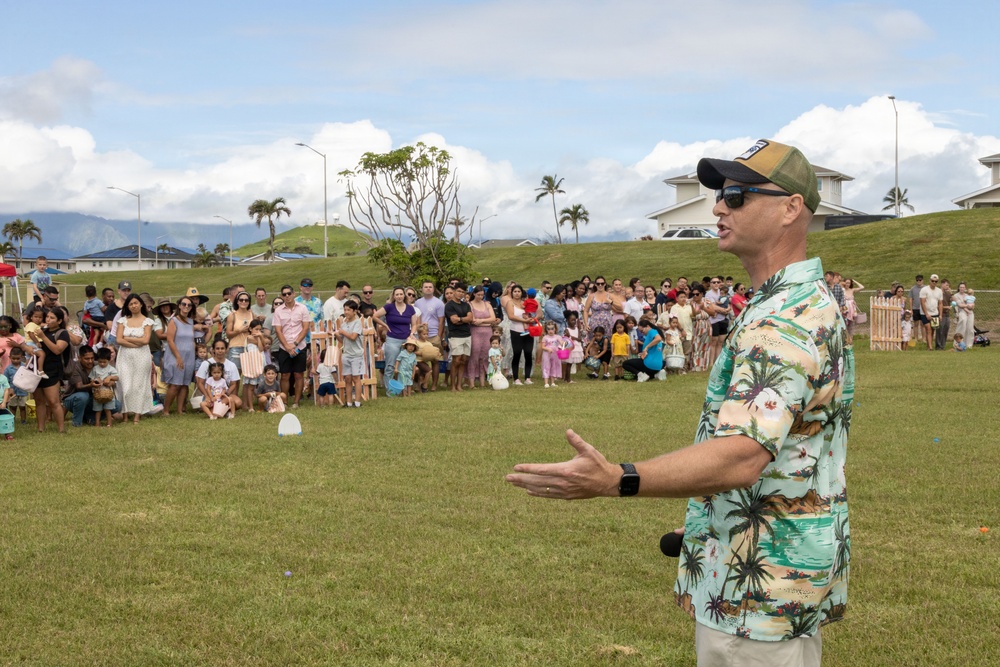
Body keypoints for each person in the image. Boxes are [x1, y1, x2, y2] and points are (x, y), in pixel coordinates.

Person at [507, 140, 853, 665]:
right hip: (764, 572)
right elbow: (795, 450)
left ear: (790, 209)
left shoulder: (784, 319)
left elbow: (742, 454)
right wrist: (704, 520)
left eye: (736, 195)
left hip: (756, 596)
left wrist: (617, 479)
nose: (718, 206)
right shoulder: (788, 303)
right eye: (719, 194)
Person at [28, 307, 72, 433]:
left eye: (52, 318)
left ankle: (61, 429)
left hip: (53, 370)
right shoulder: (42, 330)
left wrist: (43, 337)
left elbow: (57, 350)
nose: (48, 319)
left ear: (59, 321)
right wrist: (29, 348)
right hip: (37, 369)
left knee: (53, 401)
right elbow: (30, 342)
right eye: (47, 317)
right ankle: (41, 428)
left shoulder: (62, 333)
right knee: (39, 400)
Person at [115, 294, 155, 424]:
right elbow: (119, 339)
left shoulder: (147, 321)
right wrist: (136, 342)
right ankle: (125, 414)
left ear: (141, 304)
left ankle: (137, 414)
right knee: (125, 386)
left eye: (136, 303)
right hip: (125, 356)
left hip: (142, 356)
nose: (134, 306)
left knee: (139, 385)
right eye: (131, 304)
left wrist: (128, 338)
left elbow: (146, 340)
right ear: (127, 306)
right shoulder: (123, 320)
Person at [272, 285, 311, 408]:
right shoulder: (278, 311)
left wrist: (294, 344)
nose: (287, 296)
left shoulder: (302, 308)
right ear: (281, 296)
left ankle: (296, 402)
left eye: (289, 293)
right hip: (284, 347)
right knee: (285, 375)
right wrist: (287, 346)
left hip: (300, 345)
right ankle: (284, 402)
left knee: (299, 374)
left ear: (294, 294)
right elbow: (278, 331)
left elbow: (305, 328)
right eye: (284, 294)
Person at [373, 287, 419, 391]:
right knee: (390, 365)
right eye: (397, 294)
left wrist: (412, 334)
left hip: (406, 340)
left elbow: (414, 324)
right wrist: (384, 324)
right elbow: (375, 316)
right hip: (392, 340)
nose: (399, 296)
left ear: (404, 295)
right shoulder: (389, 307)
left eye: (401, 294)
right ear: (393, 296)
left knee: (404, 366)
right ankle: (389, 389)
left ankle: (402, 388)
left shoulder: (410, 308)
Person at [196, 338, 243, 415]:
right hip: (210, 394)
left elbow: (233, 384)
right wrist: (207, 396)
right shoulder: (206, 363)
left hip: (224, 393)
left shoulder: (232, 365)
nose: (220, 351)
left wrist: (226, 393)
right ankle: (219, 410)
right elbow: (200, 383)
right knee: (211, 404)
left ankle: (223, 410)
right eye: (217, 348)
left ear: (226, 349)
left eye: (222, 348)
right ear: (213, 350)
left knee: (238, 403)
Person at [414, 281, 446, 390]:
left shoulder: (439, 303)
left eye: (430, 287)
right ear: (422, 289)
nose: (428, 289)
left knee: (435, 360)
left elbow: (441, 321)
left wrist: (439, 336)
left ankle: (434, 385)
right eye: (426, 287)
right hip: (420, 336)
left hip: (433, 335)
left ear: (433, 289)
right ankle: (421, 383)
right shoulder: (418, 303)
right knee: (420, 359)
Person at [336, 300, 366, 408]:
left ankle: (357, 402)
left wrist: (342, 332)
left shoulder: (357, 323)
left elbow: (353, 337)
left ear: (354, 311)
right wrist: (336, 335)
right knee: (347, 378)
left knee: (356, 378)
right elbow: (342, 341)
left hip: (356, 355)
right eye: (345, 309)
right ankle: (348, 402)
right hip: (346, 354)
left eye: (348, 310)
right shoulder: (344, 323)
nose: (346, 312)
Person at [466, 285, 497, 389]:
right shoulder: (470, 304)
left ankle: (483, 382)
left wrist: (482, 321)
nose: (480, 297)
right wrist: (485, 322)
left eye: (482, 295)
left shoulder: (487, 304)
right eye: (478, 295)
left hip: (487, 333)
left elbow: (493, 318)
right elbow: (473, 321)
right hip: (475, 332)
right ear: (474, 294)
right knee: (474, 355)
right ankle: (471, 382)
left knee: (484, 356)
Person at [444, 283, 473, 391]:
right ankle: (452, 386)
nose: (460, 293)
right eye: (459, 291)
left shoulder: (466, 305)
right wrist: (463, 319)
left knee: (464, 360)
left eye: (463, 292)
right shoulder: (449, 305)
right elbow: (453, 320)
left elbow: (470, 318)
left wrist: (460, 319)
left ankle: (459, 385)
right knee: (456, 360)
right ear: (454, 291)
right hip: (455, 335)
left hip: (467, 334)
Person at [504, 284, 535, 385]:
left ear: (522, 293)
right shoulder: (510, 303)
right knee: (517, 353)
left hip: (528, 331)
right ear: (512, 293)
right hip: (516, 331)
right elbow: (511, 316)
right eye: (515, 291)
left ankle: (527, 377)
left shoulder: (524, 303)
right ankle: (516, 378)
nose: (517, 293)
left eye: (519, 291)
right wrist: (523, 320)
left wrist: (532, 318)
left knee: (528, 353)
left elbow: (535, 312)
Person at [90, 347, 119, 427]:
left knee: (108, 409)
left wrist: (109, 378)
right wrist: (96, 381)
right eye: (100, 362)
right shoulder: (95, 369)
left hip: (108, 393)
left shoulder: (111, 369)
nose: (102, 364)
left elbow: (117, 377)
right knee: (97, 409)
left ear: (109, 360)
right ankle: (97, 423)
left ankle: (109, 423)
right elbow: (91, 378)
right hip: (98, 392)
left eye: (104, 362)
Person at [4, 346, 29, 424]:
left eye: (18, 358)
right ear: (10, 357)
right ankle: (12, 420)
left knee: (22, 407)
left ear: (22, 357)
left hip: (23, 391)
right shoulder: (8, 369)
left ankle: (23, 420)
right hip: (12, 392)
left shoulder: (25, 367)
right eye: (13, 358)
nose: (15, 360)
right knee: (12, 407)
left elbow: (28, 377)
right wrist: (9, 390)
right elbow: (6, 381)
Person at [919, 274, 944, 351]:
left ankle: (928, 346)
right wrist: (926, 314)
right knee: (928, 329)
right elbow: (922, 302)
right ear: (930, 280)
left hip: (935, 313)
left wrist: (940, 314)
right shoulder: (924, 290)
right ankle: (930, 347)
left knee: (932, 330)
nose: (934, 282)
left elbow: (940, 303)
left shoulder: (939, 291)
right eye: (932, 281)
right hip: (924, 313)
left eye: (936, 281)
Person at [539, 321, 563, 388]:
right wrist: (548, 349)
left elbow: (562, 343)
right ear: (546, 329)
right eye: (548, 329)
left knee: (554, 367)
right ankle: (546, 382)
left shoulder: (558, 337)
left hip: (555, 355)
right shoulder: (545, 337)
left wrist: (564, 343)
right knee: (546, 367)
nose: (550, 331)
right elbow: (543, 346)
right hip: (547, 355)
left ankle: (552, 382)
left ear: (555, 329)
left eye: (552, 328)